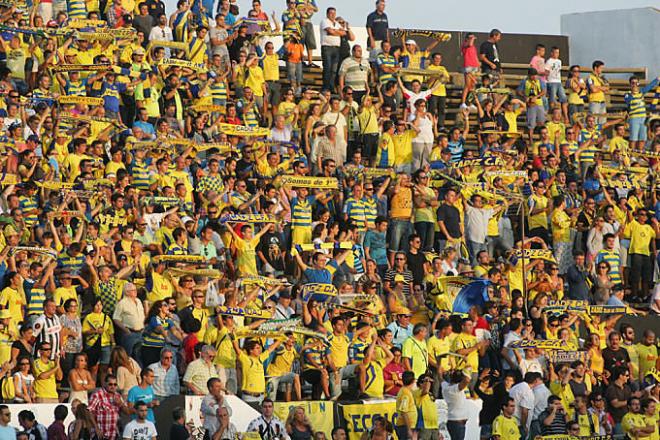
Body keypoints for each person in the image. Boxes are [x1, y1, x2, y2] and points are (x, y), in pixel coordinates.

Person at [89, 375, 129, 440]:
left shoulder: (118, 396)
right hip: (100, 434)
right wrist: (96, 429)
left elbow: (126, 412)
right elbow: (89, 412)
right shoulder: (97, 395)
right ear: (105, 383)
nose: (113, 386)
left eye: (115, 384)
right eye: (110, 384)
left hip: (113, 434)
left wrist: (120, 403)